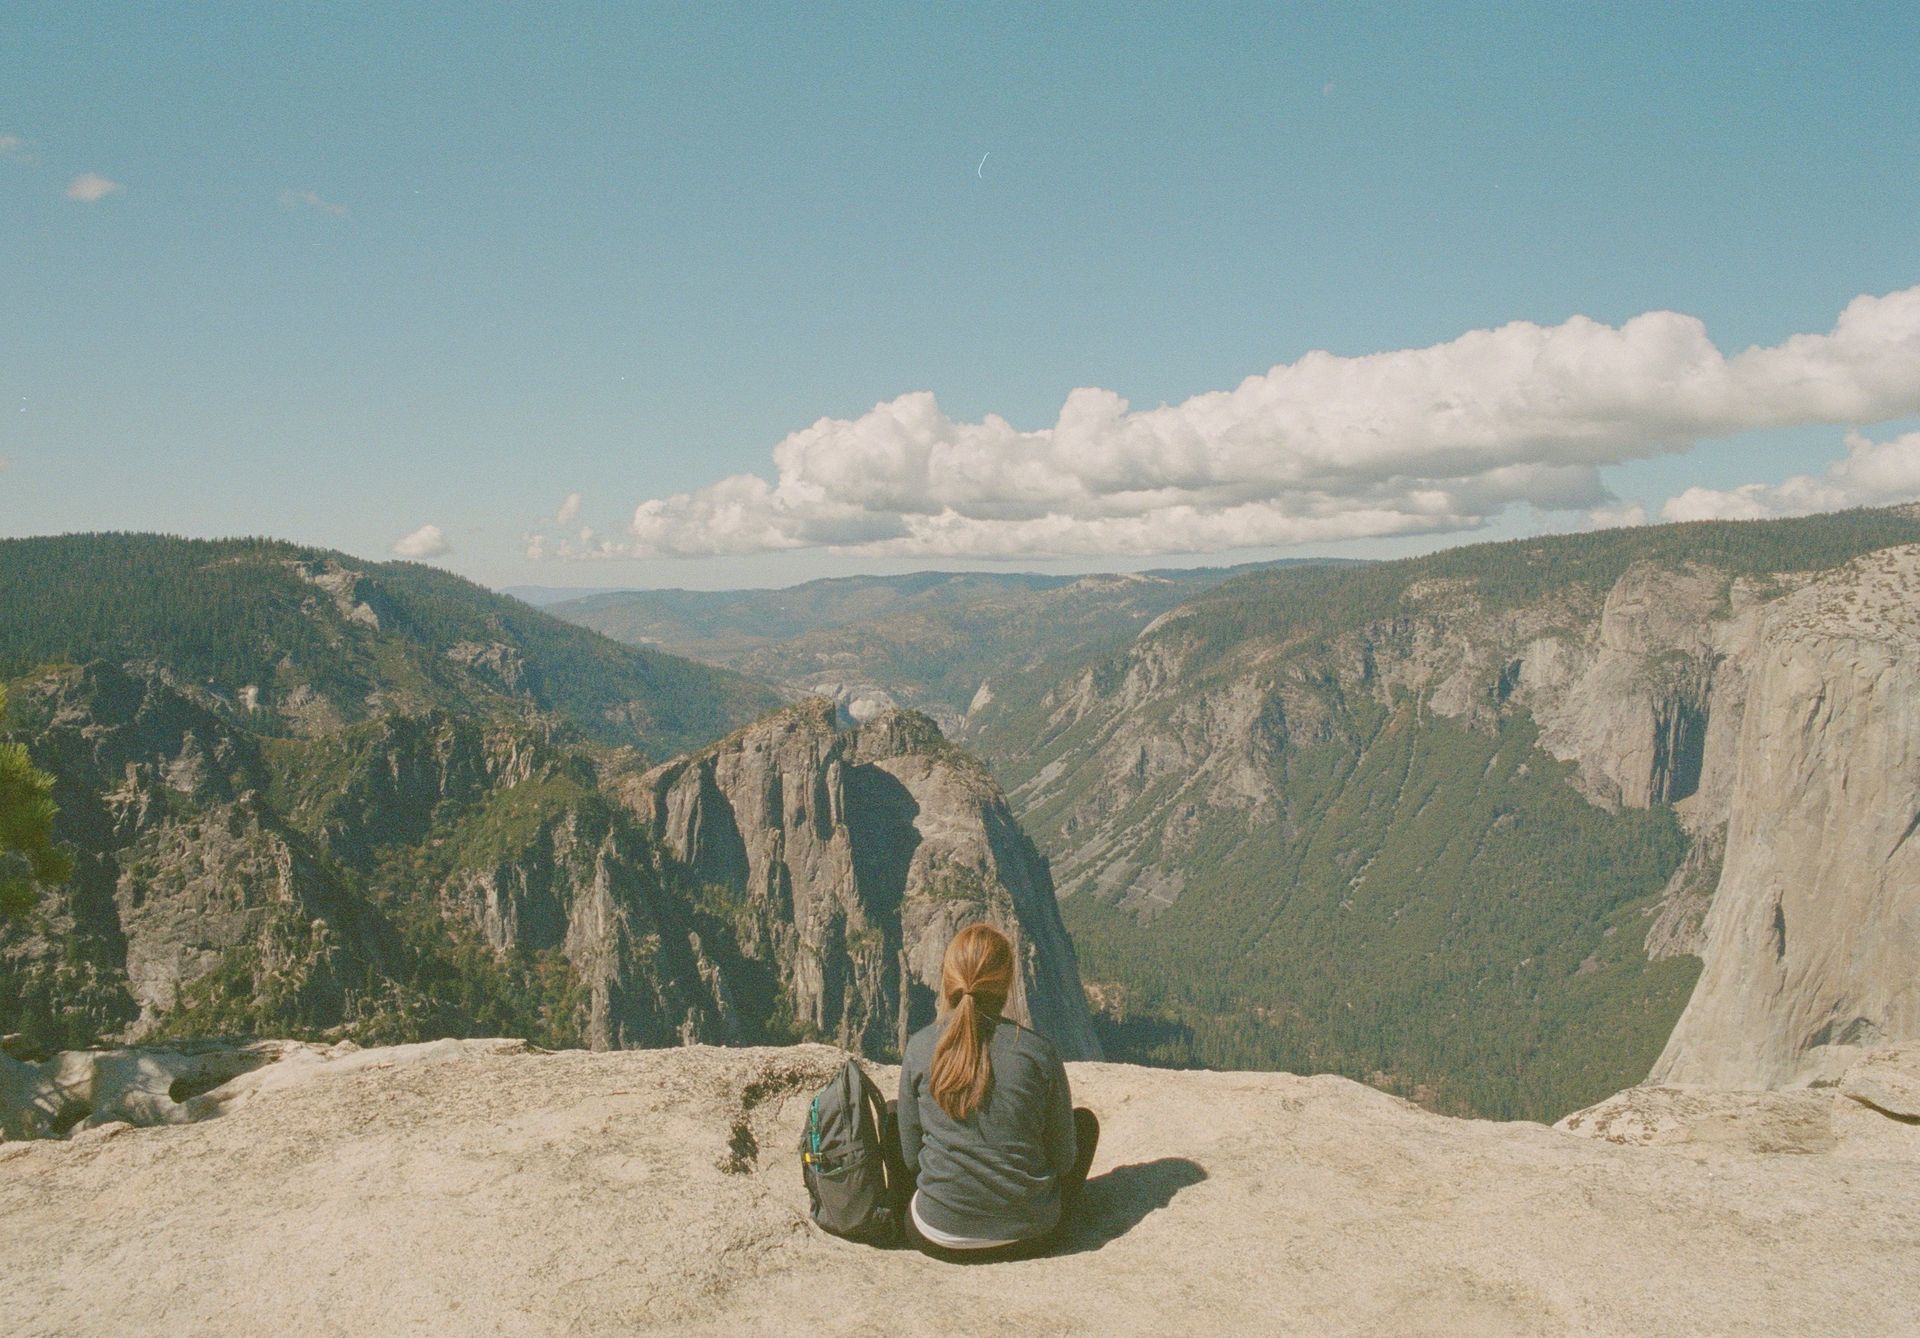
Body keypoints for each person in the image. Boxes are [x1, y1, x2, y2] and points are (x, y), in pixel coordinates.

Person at [888, 922, 1100, 1262]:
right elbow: (1063, 1161)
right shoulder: (1037, 1053)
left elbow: (911, 1159)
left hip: (937, 1237)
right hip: (1033, 1236)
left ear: (949, 979)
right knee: (1085, 1124)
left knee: (891, 1113)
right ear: (1006, 983)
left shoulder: (920, 1047)